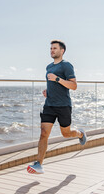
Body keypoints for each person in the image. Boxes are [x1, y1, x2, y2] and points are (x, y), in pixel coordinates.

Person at [27, 40, 87, 174]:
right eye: (51, 48)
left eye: (55, 48)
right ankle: (39, 164)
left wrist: (57, 79)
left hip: (63, 106)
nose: (52, 50)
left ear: (62, 51)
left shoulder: (67, 66)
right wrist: (48, 91)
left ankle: (80, 133)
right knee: (43, 134)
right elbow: (53, 85)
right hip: (49, 105)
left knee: (66, 133)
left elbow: (74, 86)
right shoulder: (48, 67)